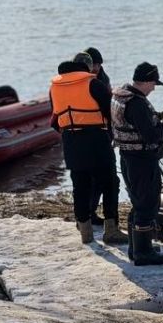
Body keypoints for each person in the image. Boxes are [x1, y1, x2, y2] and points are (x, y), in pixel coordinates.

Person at [49, 53, 126, 245]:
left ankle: (86, 233)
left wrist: (69, 131)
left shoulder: (55, 87)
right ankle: (111, 231)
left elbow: (54, 120)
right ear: (89, 67)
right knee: (110, 183)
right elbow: (111, 113)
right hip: (97, 138)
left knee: (80, 186)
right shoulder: (94, 84)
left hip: (71, 141)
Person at [112, 62, 163, 266]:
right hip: (141, 160)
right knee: (147, 204)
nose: (154, 88)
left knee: (138, 201)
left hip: (128, 156)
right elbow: (150, 136)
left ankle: (136, 247)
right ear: (146, 81)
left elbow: (135, 124)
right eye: (153, 83)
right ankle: (143, 252)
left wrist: (156, 116)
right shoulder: (137, 103)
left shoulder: (121, 96)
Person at [83, 47, 112, 227]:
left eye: (99, 64)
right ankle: (86, 213)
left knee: (101, 178)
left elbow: (108, 108)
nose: (97, 67)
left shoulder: (103, 79)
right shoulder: (83, 82)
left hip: (102, 133)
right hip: (86, 134)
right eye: (94, 64)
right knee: (88, 177)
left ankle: (91, 210)